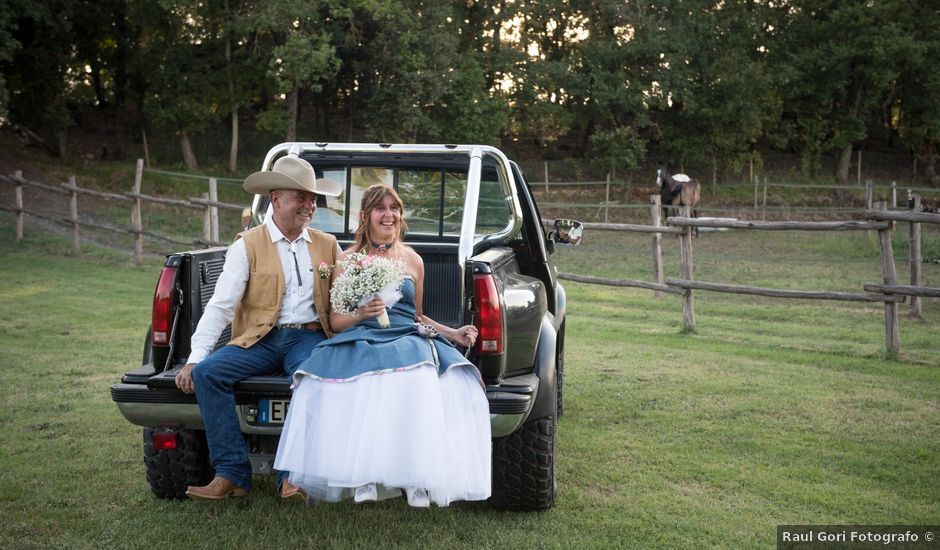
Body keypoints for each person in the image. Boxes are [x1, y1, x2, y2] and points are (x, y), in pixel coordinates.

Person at [274, 184, 491, 507]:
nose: (389, 214)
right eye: (380, 208)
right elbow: (335, 322)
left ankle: (416, 479)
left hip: (405, 335)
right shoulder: (347, 260)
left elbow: (416, 315)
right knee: (358, 381)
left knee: (418, 378)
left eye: (394, 208)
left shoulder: (413, 260)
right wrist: (362, 313)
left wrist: (452, 333)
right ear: (365, 216)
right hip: (361, 334)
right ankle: (361, 475)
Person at [175, 155, 342, 501]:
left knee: (309, 382)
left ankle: (290, 478)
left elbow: (343, 300)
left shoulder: (328, 245)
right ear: (276, 197)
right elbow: (221, 306)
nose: (309, 205)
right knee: (208, 374)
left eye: (312, 198)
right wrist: (195, 357)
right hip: (261, 339)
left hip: (309, 337)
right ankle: (232, 474)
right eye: (301, 197)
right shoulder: (247, 245)